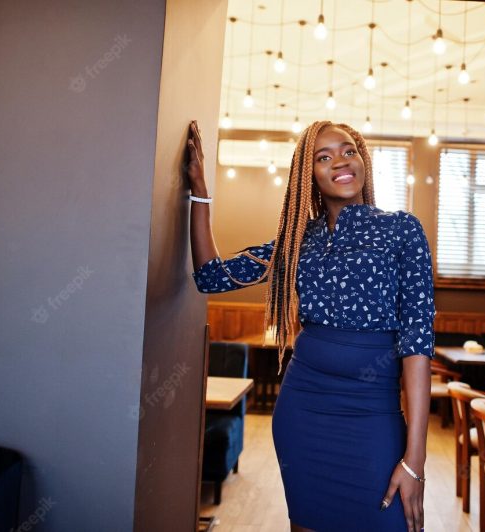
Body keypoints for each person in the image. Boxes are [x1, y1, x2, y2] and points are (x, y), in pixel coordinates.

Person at [186, 119, 434, 532]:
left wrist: (416, 460)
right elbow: (211, 276)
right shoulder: (296, 242)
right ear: (308, 175)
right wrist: (199, 192)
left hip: (373, 418)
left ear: (363, 162)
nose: (341, 160)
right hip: (304, 415)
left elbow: (417, 343)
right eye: (324, 156)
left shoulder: (402, 231)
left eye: (349, 150)